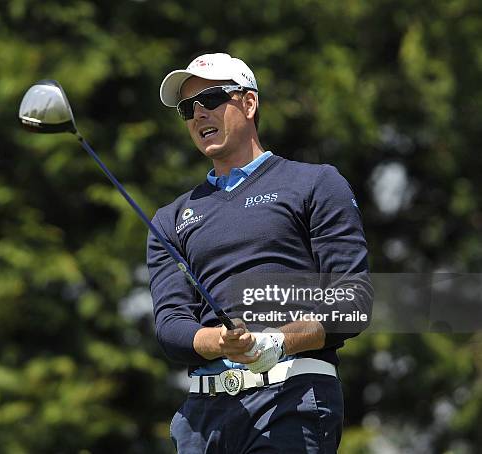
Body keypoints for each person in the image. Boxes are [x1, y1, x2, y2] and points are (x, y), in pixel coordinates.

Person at [147, 52, 373, 453]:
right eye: (187, 108)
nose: (199, 114)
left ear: (249, 103)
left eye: (212, 99)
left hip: (293, 399)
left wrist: (276, 342)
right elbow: (170, 326)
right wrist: (220, 342)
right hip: (202, 417)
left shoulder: (315, 184)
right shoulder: (169, 219)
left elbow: (352, 300)